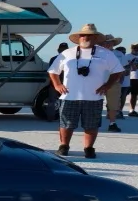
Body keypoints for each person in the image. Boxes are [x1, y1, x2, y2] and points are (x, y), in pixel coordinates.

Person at [48, 23, 123, 158]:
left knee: (91, 124)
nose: (85, 37)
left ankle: (89, 148)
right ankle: (64, 146)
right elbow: (53, 71)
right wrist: (57, 85)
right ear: (79, 37)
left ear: (95, 38)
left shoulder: (105, 54)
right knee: (66, 123)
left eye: (89, 35)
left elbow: (117, 71)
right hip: (69, 96)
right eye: (83, 35)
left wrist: (107, 85)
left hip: (94, 97)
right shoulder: (67, 53)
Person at [104, 36, 132, 131]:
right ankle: (92, 122)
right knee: (95, 102)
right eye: (106, 42)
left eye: (110, 42)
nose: (108, 44)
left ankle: (112, 123)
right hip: (97, 81)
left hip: (114, 82)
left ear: (113, 43)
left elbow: (125, 68)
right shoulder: (96, 52)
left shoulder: (119, 54)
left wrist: (122, 77)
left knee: (114, 104)